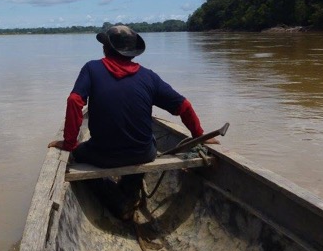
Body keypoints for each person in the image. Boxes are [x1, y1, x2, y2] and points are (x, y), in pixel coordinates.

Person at [48, 25, 218, 220]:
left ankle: (118, 201)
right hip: (143, 154)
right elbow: (184, 106)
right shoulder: (149, 76)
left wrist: (69, 144)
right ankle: (129, 190)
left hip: (102, 154)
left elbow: (74, 101)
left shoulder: (92, 68)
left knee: (77, 155)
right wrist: (199, 136)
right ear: (132, 53)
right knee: (148, 144)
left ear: (106, 49)